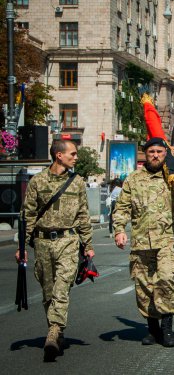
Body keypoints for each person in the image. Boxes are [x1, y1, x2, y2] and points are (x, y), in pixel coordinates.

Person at [113, 137, 174, 347]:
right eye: (152, 152)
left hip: (167, 241)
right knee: (144, 287)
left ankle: (167, 329)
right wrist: (119, 230)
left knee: (166, 280)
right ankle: (152, 329)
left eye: (160, 152)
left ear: (165, 154)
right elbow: (122, 207)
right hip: (141, 243)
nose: (156, 155)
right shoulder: (133, 179)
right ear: (145, 155)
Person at [17, 140, 94, 361]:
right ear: (59, 155)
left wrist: (88, 246)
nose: (76, 157)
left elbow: (83, 216)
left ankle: (53, 331)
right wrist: (22, 247)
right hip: (41, 242)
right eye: (73, 153)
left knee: (62, 287)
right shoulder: (37, 181)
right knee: (48, 291)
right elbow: (27, 215)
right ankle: (57, 330)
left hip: (68, 241)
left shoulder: (77, 182)